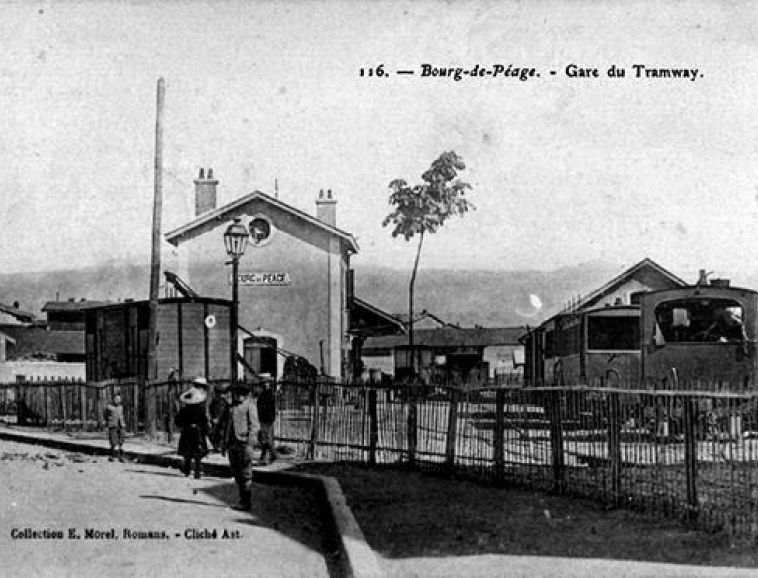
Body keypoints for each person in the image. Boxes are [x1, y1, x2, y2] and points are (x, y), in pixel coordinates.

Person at [220, 382, 259, 510]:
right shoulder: (231, 407)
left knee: (246, 473)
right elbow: (227, 427)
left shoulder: (249, 406)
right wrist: (224, 444)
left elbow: (254, 426)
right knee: (237, 472)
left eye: (241, 394)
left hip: (244, 444)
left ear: (245, 394)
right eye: (236, 393)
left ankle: (246, 502)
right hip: (232, 444)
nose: (238, 396)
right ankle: (242, 500)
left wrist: (250, 443)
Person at [175, 377, 211, 479]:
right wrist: (206, 430)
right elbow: (204, 421)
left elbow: (178, 420)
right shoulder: (200, 409)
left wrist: (182, 427)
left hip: (187, 431)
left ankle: (187, 470)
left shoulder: (185, 409)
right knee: (197, 453)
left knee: (188, 452)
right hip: (197, 432)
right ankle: (197, 472)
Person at [255, 374, 277, 464]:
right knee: (263, 438)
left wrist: (271, 419)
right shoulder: (262, 395)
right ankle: (266, 456)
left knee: (266, 439)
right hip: (262, 419)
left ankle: (271, 455)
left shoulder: (270, 394)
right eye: (263, 383)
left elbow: (272, 408)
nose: (265, 385)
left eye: (266, 383)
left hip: (267, 419)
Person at [104, 392, 125, 462]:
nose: (117, 400)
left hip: (121, 425)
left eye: (119, 399)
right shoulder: (109, 407)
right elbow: (106, 416)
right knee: (113, 441)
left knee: (121, 441)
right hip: (112, 425)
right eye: (116, 398)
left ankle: (121, 456)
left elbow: (123, 415)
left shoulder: (121, 407)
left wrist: (123, 424)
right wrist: (107, 425)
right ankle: (112, 456)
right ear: (113, 399)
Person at [209, 383, 231, 452]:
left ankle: (220, 446)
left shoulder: (222, 401)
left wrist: (217, 418)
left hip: (222, 421)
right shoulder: (215, 401)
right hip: (217, 420)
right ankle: (217, 446)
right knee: (214, 434)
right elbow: (212, 409)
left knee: (219, 434)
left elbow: (221, 411)